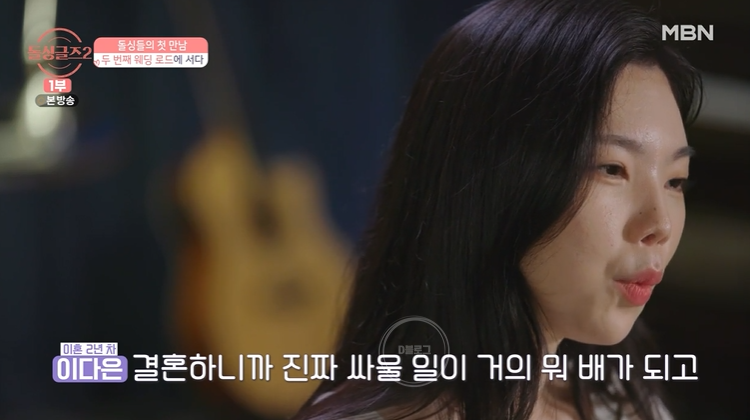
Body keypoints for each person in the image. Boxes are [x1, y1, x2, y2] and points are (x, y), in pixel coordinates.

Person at [292, 0, 702, 419]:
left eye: (675, 180)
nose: (660, 225)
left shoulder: (626, 405)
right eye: (613, 169)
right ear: (496, 176)